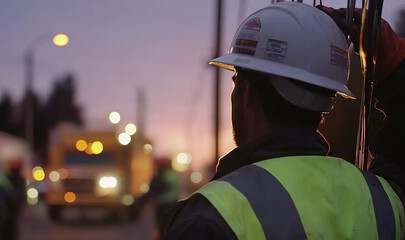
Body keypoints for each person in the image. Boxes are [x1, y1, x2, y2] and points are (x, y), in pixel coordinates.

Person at [162, 2, 405, 239]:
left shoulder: (210, 219)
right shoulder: (384, 202)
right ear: (325, 101)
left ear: (245, 93)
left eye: (236, 80)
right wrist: (396, 67)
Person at [0, 158, 26, 240]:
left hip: (8, 209)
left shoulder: (7, 178)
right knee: (8, 229)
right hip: (9, 209)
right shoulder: (16, 179)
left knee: (8, 229)